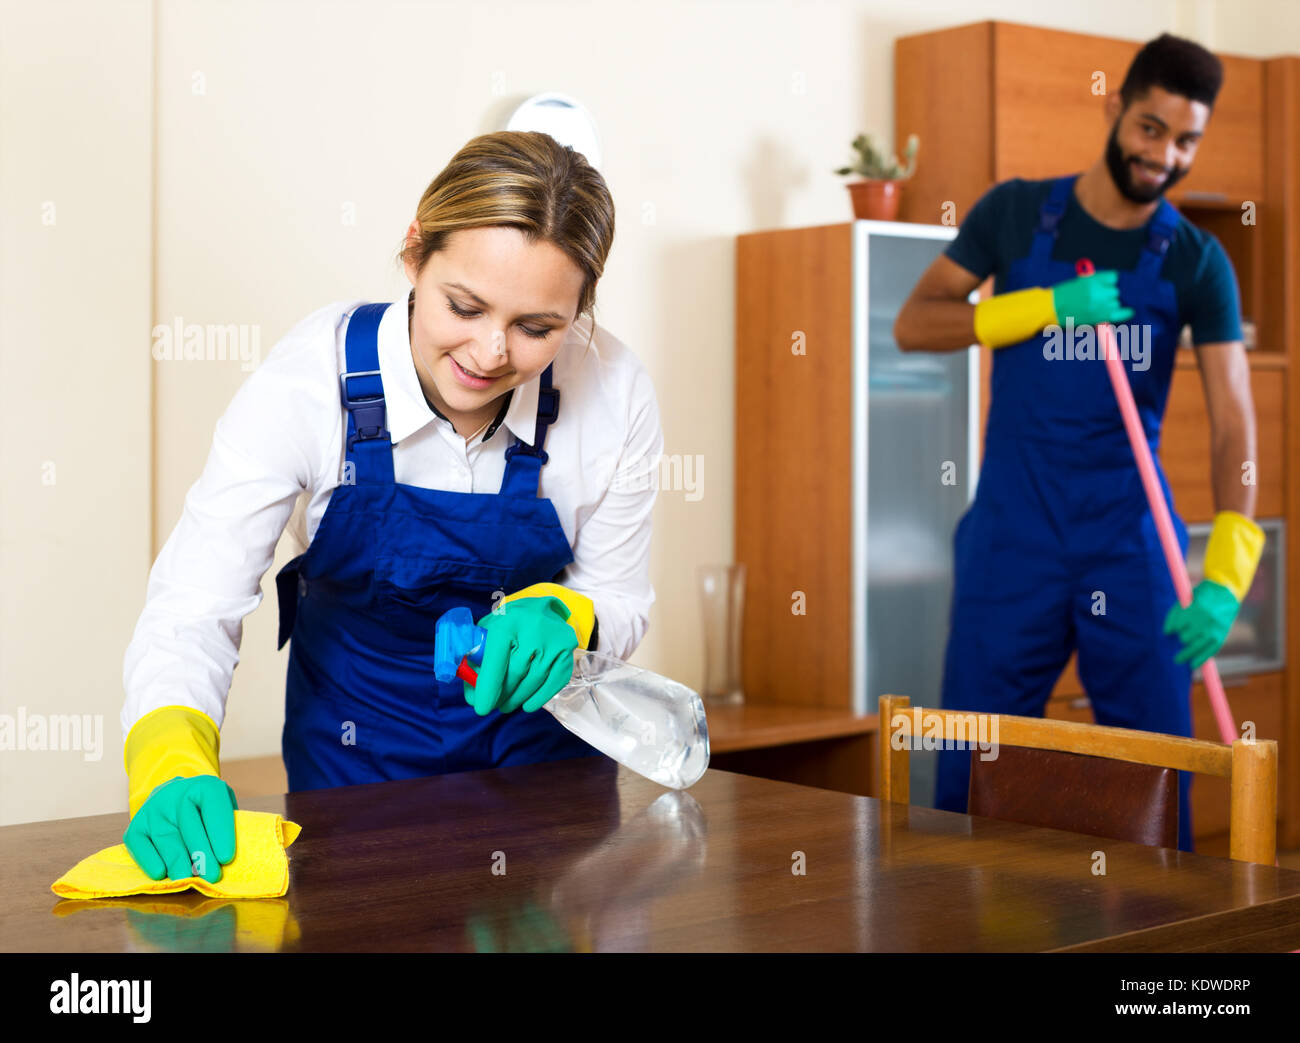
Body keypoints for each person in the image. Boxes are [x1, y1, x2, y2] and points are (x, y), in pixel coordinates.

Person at [120, 131, 663, 882]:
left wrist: (570, 616)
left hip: (549, 789)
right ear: (414, 252)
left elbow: (622, 597)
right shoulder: (308, 382)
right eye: (464, 306)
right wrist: (169, 753)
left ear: (579, 312)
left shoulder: (614, 391)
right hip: (354, 776)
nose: (490, 352)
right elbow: (192, 605)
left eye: (537, 327)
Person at [893, 34, 1264, 853]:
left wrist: (1227, 576)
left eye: (1186, 139)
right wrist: (1044, 307)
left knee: (1158, 768)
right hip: (1013, 536)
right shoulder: (1016, 212)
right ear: (1114, 110)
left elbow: (1236, 420)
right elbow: (915, 323)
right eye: (1149, 128)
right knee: (972, 757)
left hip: (1130, 541)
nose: (1164, 155)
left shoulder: (1197, 261)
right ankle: (970, 930)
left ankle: (1166, 966)